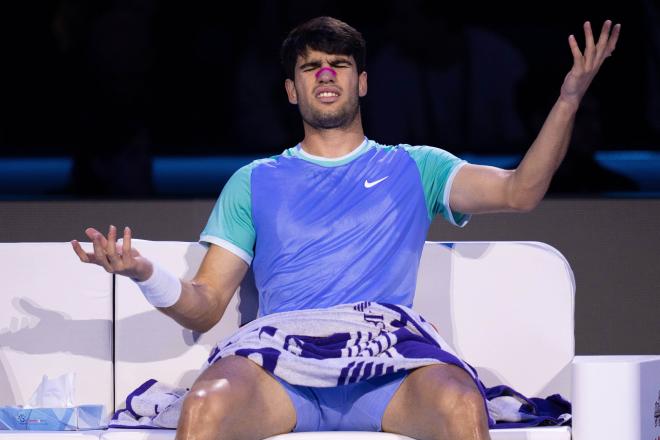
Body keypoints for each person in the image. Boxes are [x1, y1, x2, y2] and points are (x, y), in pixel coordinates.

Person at [71, 16, 620, 440]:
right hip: (278, 366)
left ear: (361, 82)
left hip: (387, 364)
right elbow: (205, 305)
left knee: (459, 403)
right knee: (205, 405)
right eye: (311, 67)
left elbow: (520, 191)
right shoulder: (254, 181)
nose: (327, 74)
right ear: (292, 90)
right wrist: (144, 273)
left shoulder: (416, 166)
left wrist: (569, 97)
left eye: (338, 64)